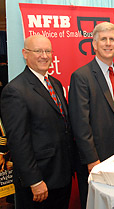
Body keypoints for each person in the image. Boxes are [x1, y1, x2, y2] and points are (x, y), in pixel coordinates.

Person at [1, 35, 73, 209]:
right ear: (25, 54)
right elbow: (18, 142)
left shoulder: (54, 83)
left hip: (62, 175)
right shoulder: (15, 91)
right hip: (40, 182)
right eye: (38, 51)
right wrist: (34, 181)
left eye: (48, 51)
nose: (44, 55)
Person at [68, 22, 114, 209]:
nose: (108, 43)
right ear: (94, 44)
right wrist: (92, 159)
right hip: (97, 158)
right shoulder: (81, 76)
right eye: (103, 39)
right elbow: (80, 123)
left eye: (112, 39)